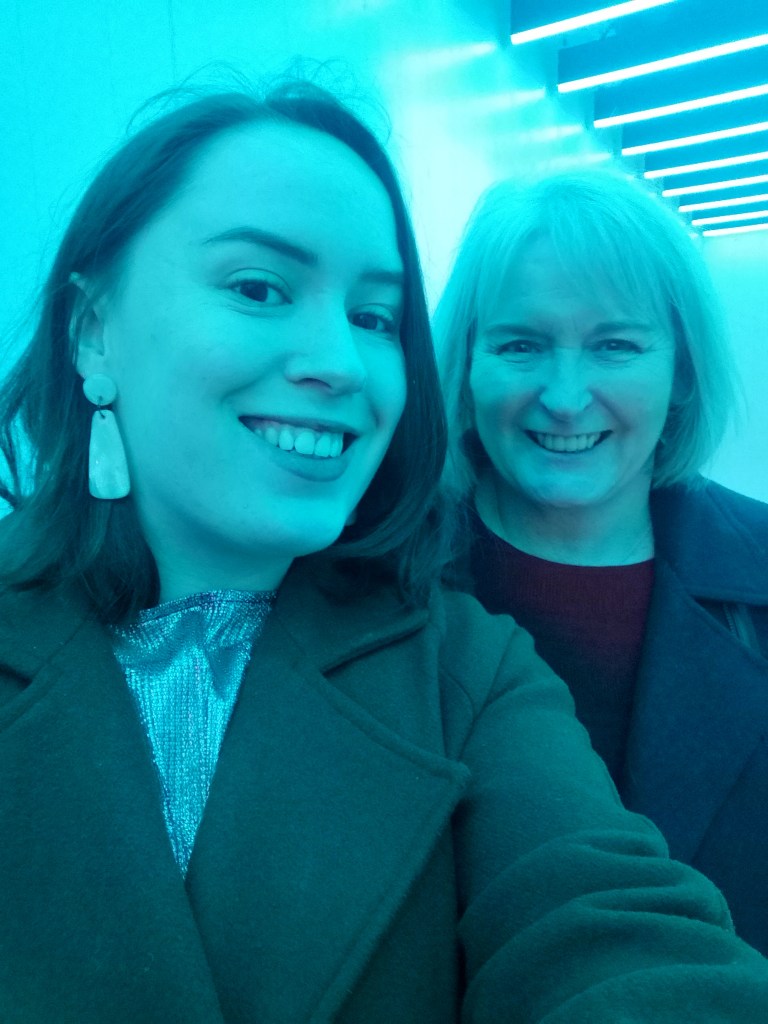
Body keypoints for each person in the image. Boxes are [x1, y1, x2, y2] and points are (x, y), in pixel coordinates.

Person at [1, 88, 768, 1024]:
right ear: (91, 327)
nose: (338, 359)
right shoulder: (434, 590)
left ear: (678, 369)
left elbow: (605, 930)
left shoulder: (464, 665)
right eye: (258, 287)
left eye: (373, 317)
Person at [435, 168, 768, 956]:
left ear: (680, 370)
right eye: (522, 343)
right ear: (467, 362)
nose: (565, 395)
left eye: (615, 345)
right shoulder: (365, 581)